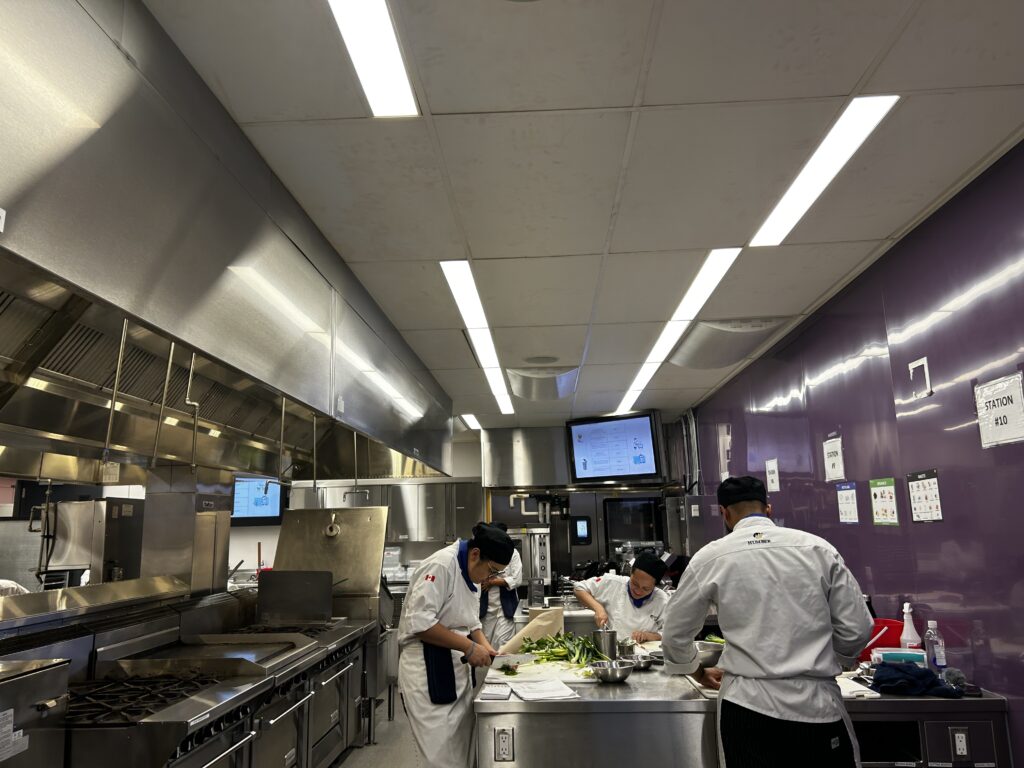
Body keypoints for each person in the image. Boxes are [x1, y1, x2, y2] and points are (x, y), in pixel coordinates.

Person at [662, 476, 874, 768]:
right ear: (768, 509)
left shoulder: (711, 557)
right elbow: (858, 628)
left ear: (724, 513)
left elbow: (674, 634)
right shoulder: (818, 549)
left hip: (747, 707)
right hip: (816, 706)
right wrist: (827, 660)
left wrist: (696, 671)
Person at [397, 522, 514, 768]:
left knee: (462, 751)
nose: (490, 579)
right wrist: (470, 648)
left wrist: (487, 648)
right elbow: (420, 623)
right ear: (475, 555)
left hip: (456, 669)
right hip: (426, 666)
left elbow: (471, 623)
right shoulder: (442, 565)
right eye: (491, 571)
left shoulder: (470, 573)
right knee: (440, 756)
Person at [573, 550, 669, 643]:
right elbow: (579, 588)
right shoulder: (612, 583)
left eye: (645, 589)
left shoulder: (662, 600)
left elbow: (667, 633)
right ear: (631, 574)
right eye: (635, 584)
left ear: (654, 586)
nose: (638, 591)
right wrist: (598, 608)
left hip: (645, 654)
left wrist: (647, 636)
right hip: (613, 650)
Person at [479, 522, 522, 650]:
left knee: (504, 645)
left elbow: (517, 579)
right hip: (485, 609)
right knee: (487, 645)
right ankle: (490, 670)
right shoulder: (483, 552)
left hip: (505, 608)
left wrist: (492, 582)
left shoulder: (512, 553)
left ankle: (502, 668)